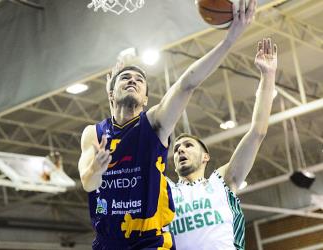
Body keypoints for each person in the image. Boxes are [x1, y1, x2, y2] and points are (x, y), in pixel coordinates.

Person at [77, 0, 256, 248]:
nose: (133, 80)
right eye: (125, 77)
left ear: (146, 98)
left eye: (139, 79)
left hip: (150, 241)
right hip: (109, 242)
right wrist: (96, 168)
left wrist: (229, 40)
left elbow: (186, 84)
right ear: (111, 93)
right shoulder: (94, 134)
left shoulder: (154, 124)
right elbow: (88, 183)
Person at [168, 37, 277, 250]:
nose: (180, 148)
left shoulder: (221, 182)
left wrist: (268, 75)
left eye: (189, 145)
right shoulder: (166, 191)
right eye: (177, 149)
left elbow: (258, 132)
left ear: (205, 157)